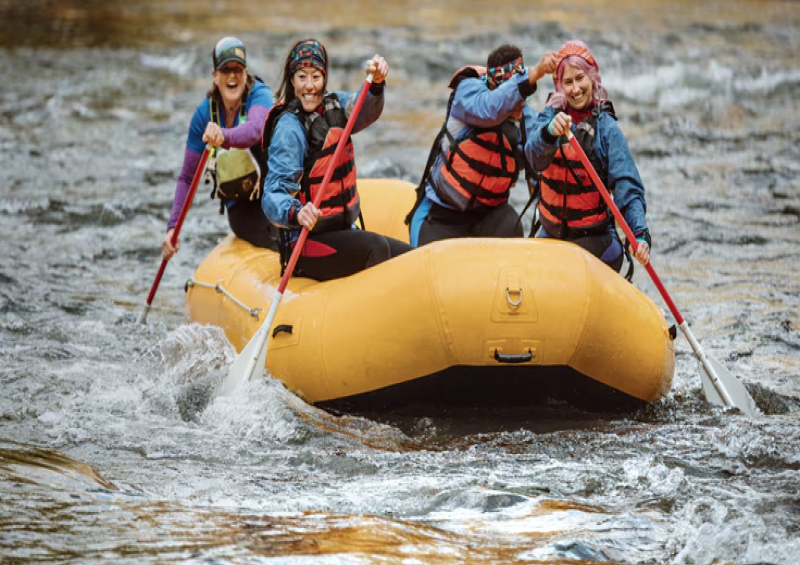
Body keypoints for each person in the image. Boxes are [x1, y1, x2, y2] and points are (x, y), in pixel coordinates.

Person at [261, 39, 412, 281]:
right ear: (292, 80)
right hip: (306, 244)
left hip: (342, 231)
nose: (309, 86)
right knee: (376, 248)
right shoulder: (290, 128)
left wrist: (376, 84)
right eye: (302, 77)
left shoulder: (336, 105)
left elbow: (363, 108)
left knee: (410, 257)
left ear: (324, 78)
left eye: (315, 77)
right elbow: (272, 193)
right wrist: (296, 212)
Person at [405, 44, 558, 247]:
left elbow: (537, 162)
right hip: (440, 215)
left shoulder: (524, 116)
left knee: (512, 224)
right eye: (518, 97)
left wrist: (550, 132)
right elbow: (490, 109)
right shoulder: (468, 93)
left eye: (525, 98)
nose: (522, 105)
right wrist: (535, 73)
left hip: (488, 217)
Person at [526, 40, 651, 273]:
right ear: (560, 86)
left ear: (592, 78)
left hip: (595, 240)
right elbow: (532, 158)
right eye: (568, 82)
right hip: (551, 235)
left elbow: (628, 187)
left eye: (580, 78)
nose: (575, 89)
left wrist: (639, 234)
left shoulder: (607, 129)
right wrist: (548, 133)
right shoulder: (549, 117)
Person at [162, 36, 277, 260]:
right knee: (279, 238)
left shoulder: (260, 95)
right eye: (226, 70)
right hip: (241, 207)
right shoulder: (203, 115)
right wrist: (173, 228)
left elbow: (255, 130)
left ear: (245, 74)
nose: (232, 76)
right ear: (215, 77)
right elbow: (187, 177)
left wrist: (223, 135)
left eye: (238, 69)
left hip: (277, 192)